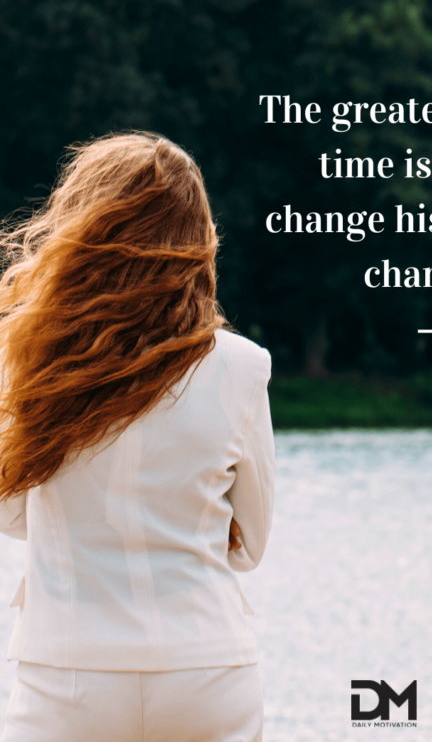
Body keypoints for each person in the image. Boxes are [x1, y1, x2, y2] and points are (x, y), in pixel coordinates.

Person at [0, 132, 275, 742]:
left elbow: (11, 514)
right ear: (196, 239)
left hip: (68, 675)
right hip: (207, 667)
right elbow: (249, 546)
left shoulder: (23, 358)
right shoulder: (242, 365)